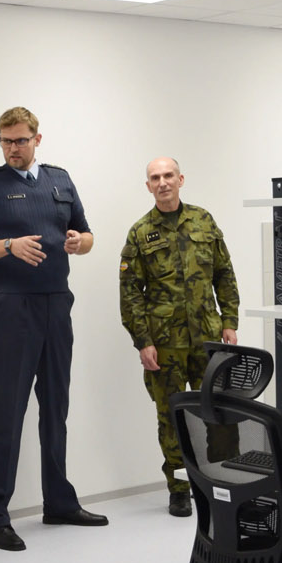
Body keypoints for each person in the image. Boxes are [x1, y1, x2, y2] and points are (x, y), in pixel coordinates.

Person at [0, 106, 108, 551]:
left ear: (37, 139)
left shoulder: (60, 179)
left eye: (20, 141)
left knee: (56, 407)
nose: (12, 149)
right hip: (13, 307)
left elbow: (87, 235)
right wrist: (7, 246)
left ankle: (59, 502)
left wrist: (80, 242)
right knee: (7, 411)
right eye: (5, 141)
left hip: (57, 303)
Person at [118, 157, 241, 517]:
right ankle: (179, 489)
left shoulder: (203, 220)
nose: (163, 182)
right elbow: (130, 292)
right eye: (155, 178)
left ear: (180, 179)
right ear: (148, 186)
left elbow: (224, 273)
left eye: (168, 175)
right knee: (172, 418)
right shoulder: (140, 233)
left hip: (208, 338)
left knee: (219, 411)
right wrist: (143, 341)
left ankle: (224, 482)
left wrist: (230, 320)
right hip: (165, 344)